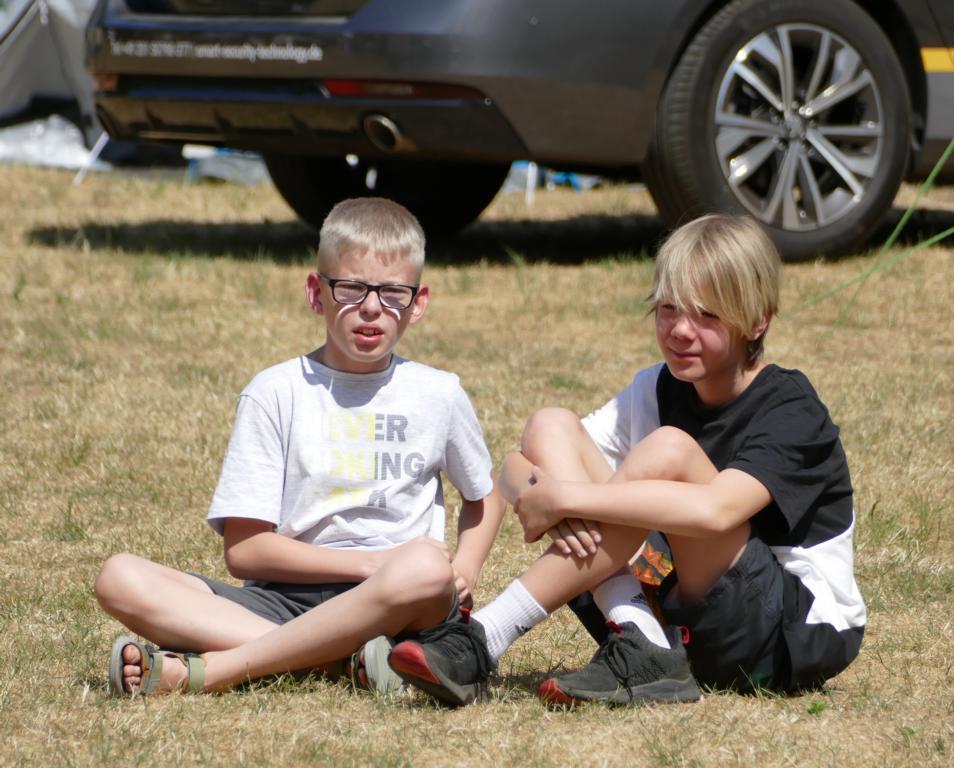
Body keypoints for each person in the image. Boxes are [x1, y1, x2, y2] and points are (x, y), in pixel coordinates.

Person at [388, 213, 866, 706]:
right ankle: (642, 638)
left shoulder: (790, 406)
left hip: (783, 634)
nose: (680, 330)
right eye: (668, 308)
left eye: (707, 315)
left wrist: (563, 499)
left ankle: (487, 634)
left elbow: (715, 511)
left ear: (757, 320)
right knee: (550, 425)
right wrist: (534, 489)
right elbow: (520, 463)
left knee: (668, 450)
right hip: (680, 614)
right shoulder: (658, 386)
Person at [95, 197, 504, 696]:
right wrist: (371, 562)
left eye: (393, 292)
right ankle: (341, 662)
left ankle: (215, 670)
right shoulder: (274, 392)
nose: (371, 307)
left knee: (424, 568)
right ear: (316, 293)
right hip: (285, 601)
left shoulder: (439, 393)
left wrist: (464, 568)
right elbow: (245, 550)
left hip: (401, 602)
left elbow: (485, 495)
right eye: (350, 288)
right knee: (119, 577)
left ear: (417, 303)